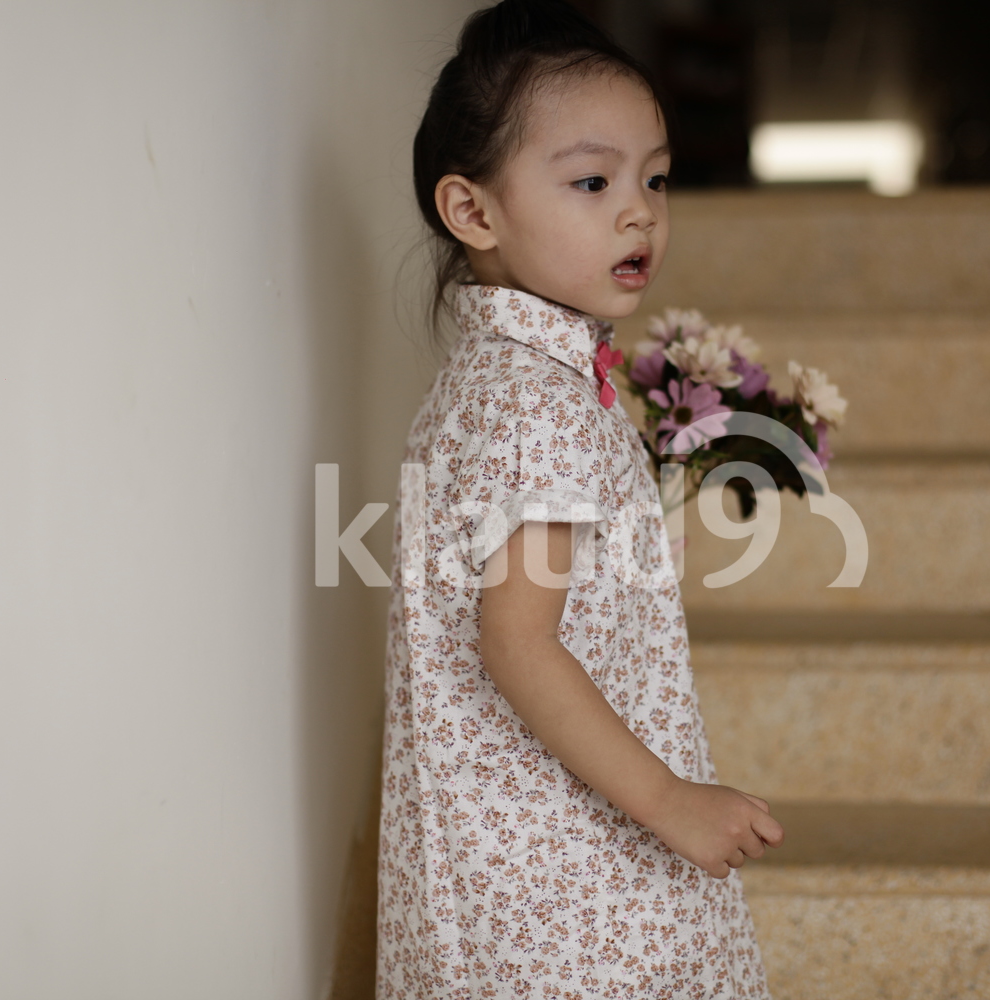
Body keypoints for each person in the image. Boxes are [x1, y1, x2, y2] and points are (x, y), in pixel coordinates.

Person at [376, 2, 781, 996]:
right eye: (593, 181)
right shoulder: (532, 400)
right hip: (559, 873)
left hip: (507, 858)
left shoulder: (511, 373)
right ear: (473, 212)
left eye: (654, 178)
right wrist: (669, 799)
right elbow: (518, 640)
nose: (639, 211)